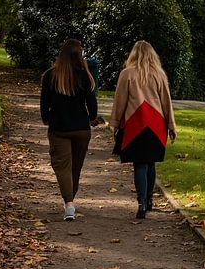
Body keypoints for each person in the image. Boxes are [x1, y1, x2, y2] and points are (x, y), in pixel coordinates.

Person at [109, 41, 177, 219]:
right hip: (156, 124)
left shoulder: (127, 74)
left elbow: (120, 101)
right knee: (151, 163)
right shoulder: (160, 74)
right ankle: (149, 200)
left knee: (139, 164)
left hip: (135, 124)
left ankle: (141, 203)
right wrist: (171, 125)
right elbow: (166, 102)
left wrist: (115, 123)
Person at [40, 39, 98, 221]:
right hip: (81, 128)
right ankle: (70, 199)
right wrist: (91, 118)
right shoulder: (84, 76)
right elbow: (92, 105)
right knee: (75, 167)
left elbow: (44, 104)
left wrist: (47, 118)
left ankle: (69, 204)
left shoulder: (50, 76)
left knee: (62, 167)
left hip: (59, 128)